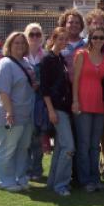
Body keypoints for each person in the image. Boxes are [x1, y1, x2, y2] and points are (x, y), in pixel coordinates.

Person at [0, 31, 36, 192]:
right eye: (17, 43)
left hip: (25, 114)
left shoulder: (25, 62)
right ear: (9, 45)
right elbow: (3, 91)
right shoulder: (5, 64)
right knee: (7, 148)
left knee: (22, 147)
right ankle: (4, 181)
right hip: (9, 113)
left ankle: (19, 177)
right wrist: (9, 112)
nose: (20, 46)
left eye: (23, 43)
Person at [72, 26, 104, 193]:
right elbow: (76, 80)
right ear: (90, 39)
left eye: (101, 38)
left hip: (100, 105)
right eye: (95, 37)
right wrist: (75, 101)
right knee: (84, 144)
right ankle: (85, 179)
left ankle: (95, 178)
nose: (98, 41)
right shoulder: (81, 54)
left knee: (95, 145)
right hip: (83, 104)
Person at [83, 9, 104, 176]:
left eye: (101, 23)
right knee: (90, 131)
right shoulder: (82, 44)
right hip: (88, 93)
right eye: (95, 23)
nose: (98, 26)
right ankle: (92, 161)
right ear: (89, 25)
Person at [41, 27, 73, 196]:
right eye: (60, 39)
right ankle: (61, 185)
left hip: (64, 107)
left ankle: (53, 182)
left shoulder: (60, 58)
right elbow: (45, 88)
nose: (63, 42)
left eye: (65, 39)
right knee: (69, 146)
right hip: (56, 108)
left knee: (61, 148)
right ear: (53, 39)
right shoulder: (48, 59)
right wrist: (51, 110)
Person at [24, 23, 47, 181]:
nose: (35, 37)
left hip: (39, 101)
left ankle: (37, 169)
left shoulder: (45, 56)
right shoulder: (20, 56)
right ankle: (25, 169)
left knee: (37, 138)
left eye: (38, 34)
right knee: (25, 138)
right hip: (24, 101)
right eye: (32, 34)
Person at [58, 8, 85, 77]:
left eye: (77, 23)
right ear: (64, 25)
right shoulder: (58, 45)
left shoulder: (87, 45)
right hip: (63, 85)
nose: (74, 25)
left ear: (81, 26)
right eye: (70, 22)